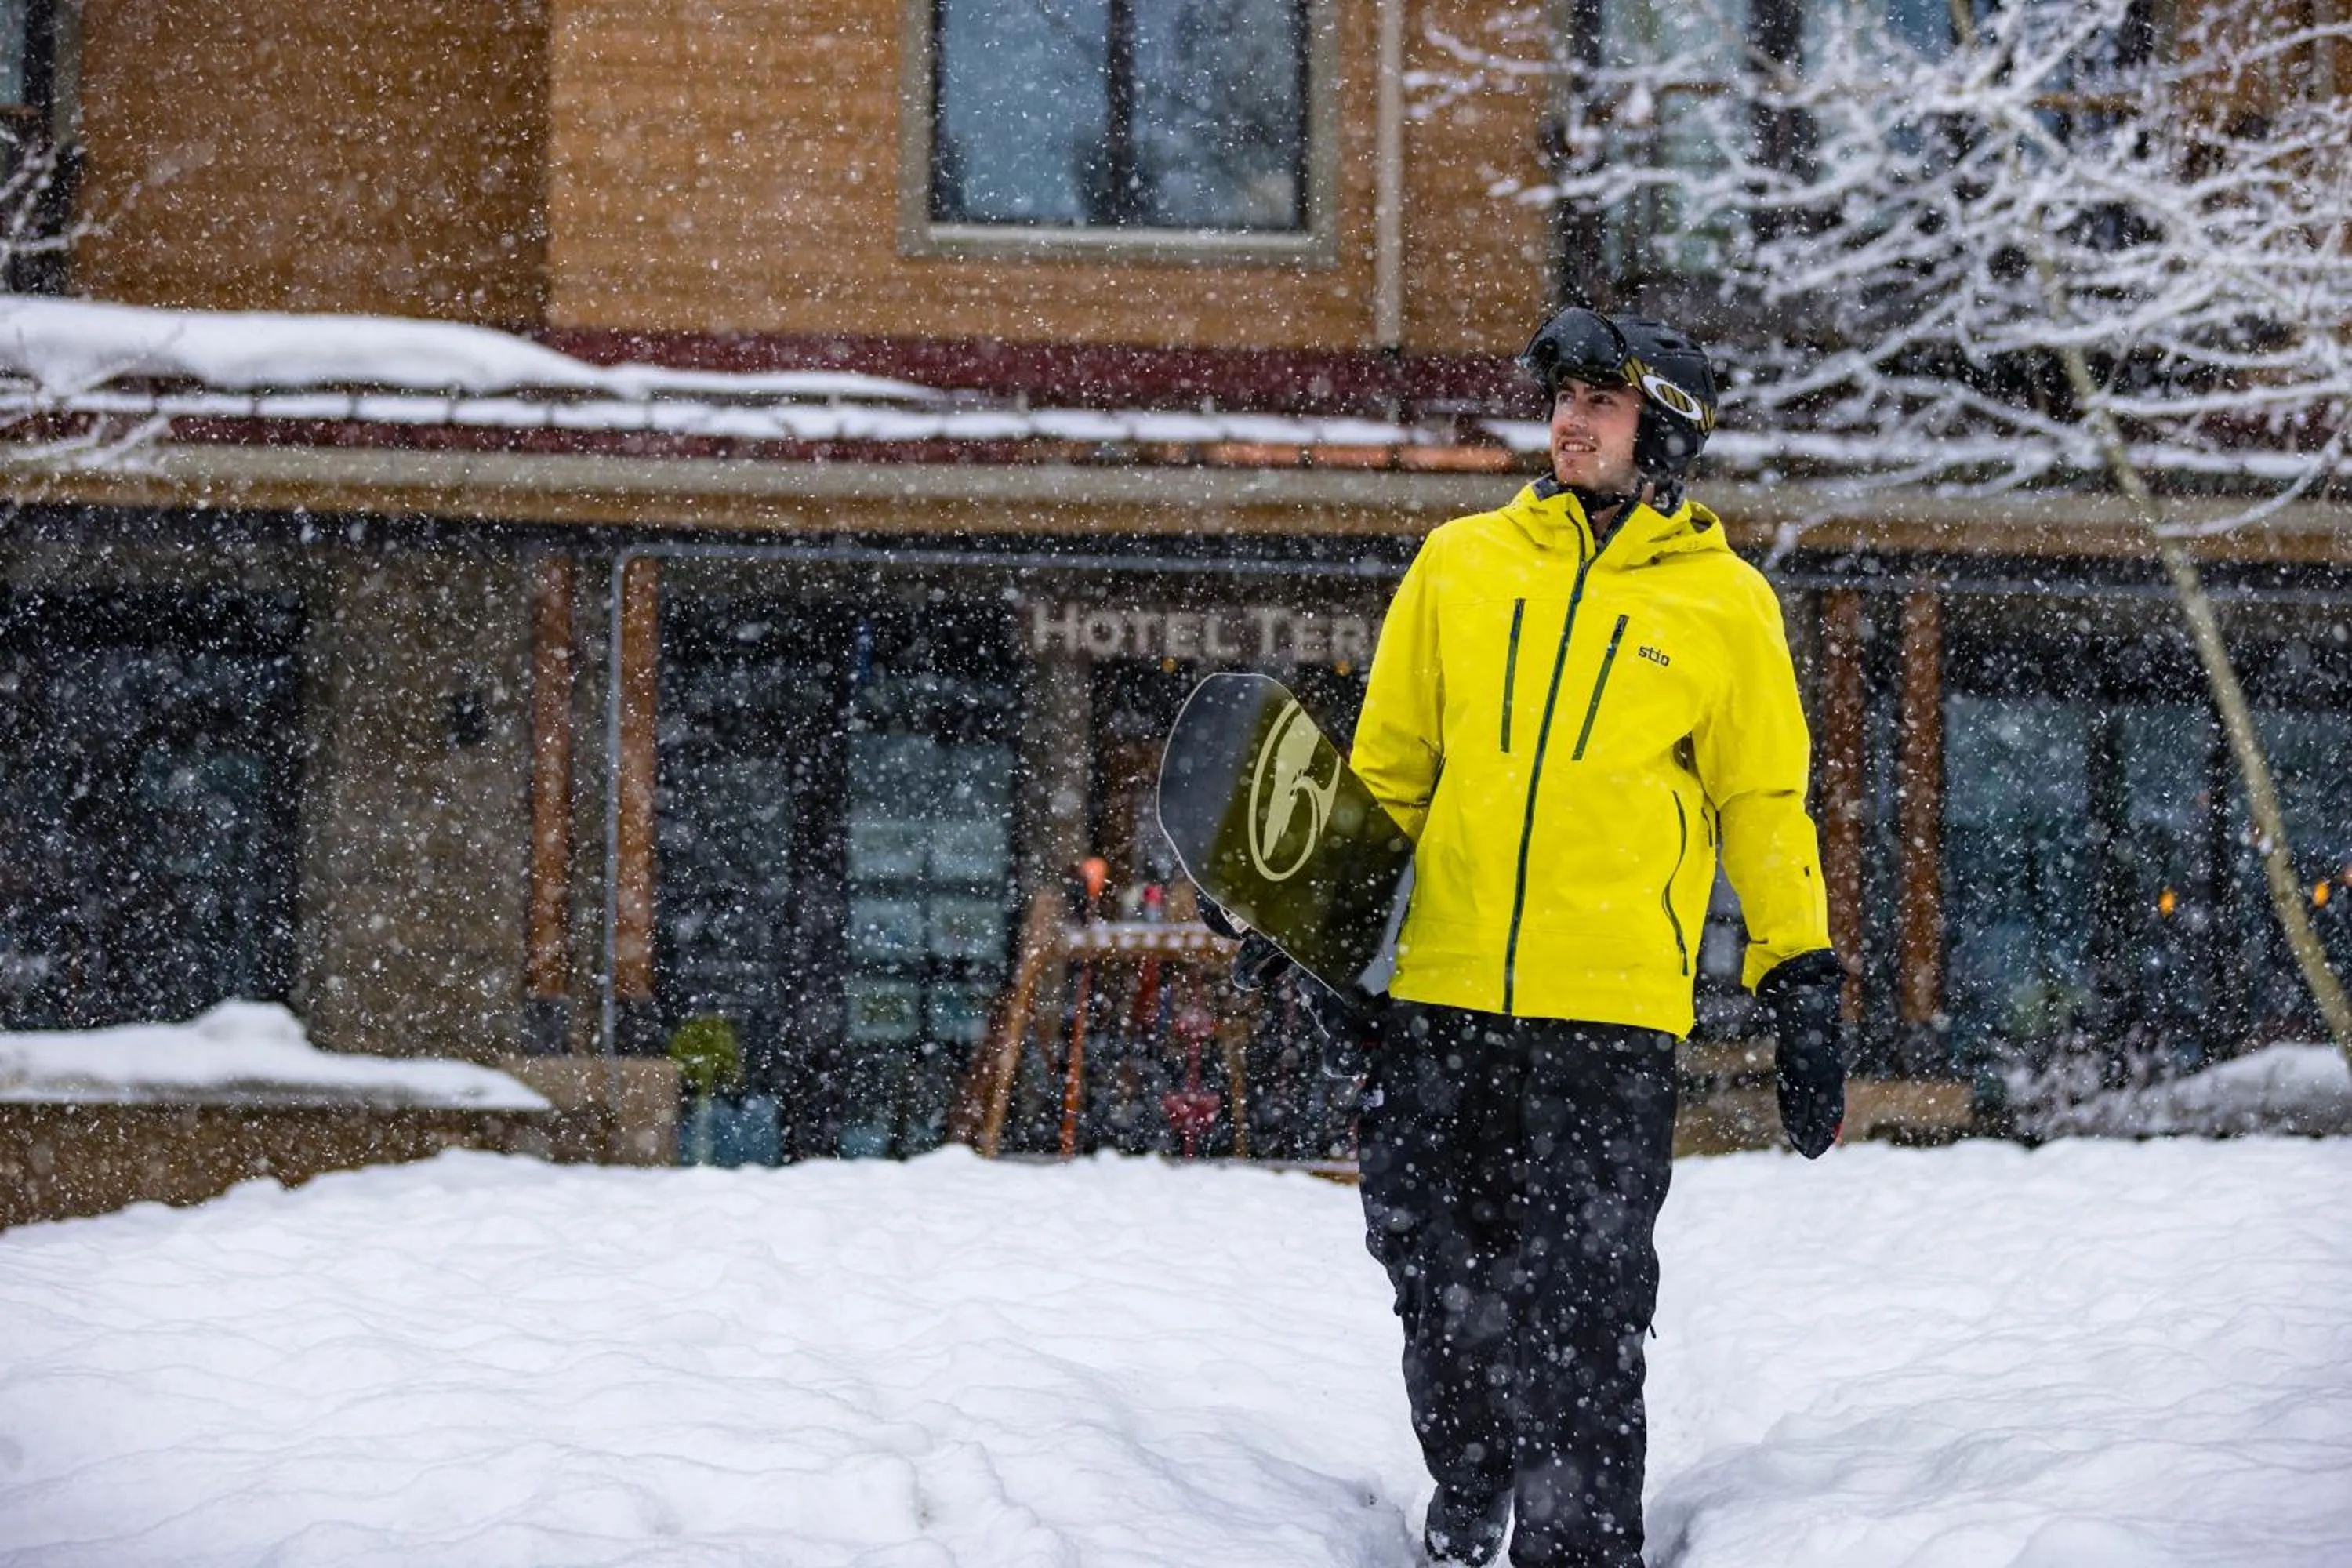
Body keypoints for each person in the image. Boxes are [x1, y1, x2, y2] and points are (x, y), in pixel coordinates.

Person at [1252, 308, 1847, 1566]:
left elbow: (1764, 804)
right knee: (1434, 1276)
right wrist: (1317, 922)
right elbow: (1394, 774)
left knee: (1582, 1308)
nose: (1570, 421)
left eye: (1602, 402)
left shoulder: (1727, 609)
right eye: (1563, 397)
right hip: (1441, 997)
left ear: (1665, 430)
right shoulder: (1460, 567)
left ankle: (1577, 1542)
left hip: (1610, 1016)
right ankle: (1469, 1479)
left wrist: (1802, 978)